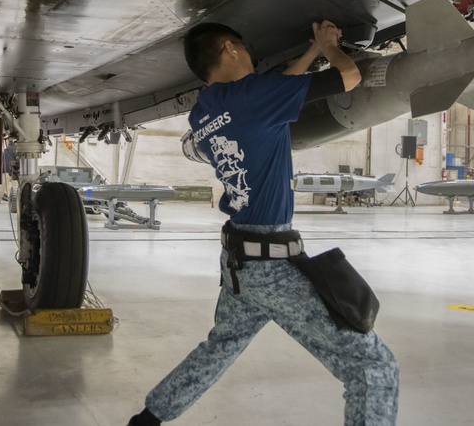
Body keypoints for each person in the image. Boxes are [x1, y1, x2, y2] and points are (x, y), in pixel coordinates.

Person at [128, 21, 399, 426]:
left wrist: (307, 54)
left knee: (221, 346)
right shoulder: (258, 95)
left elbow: (267, 95)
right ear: (230, 49)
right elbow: (350, 76)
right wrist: (328, 47)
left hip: (239, 267)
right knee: (374, 366)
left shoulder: (203, 113)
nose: (252, 58)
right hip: (272, 264)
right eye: (246, 49)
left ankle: (146, 420)